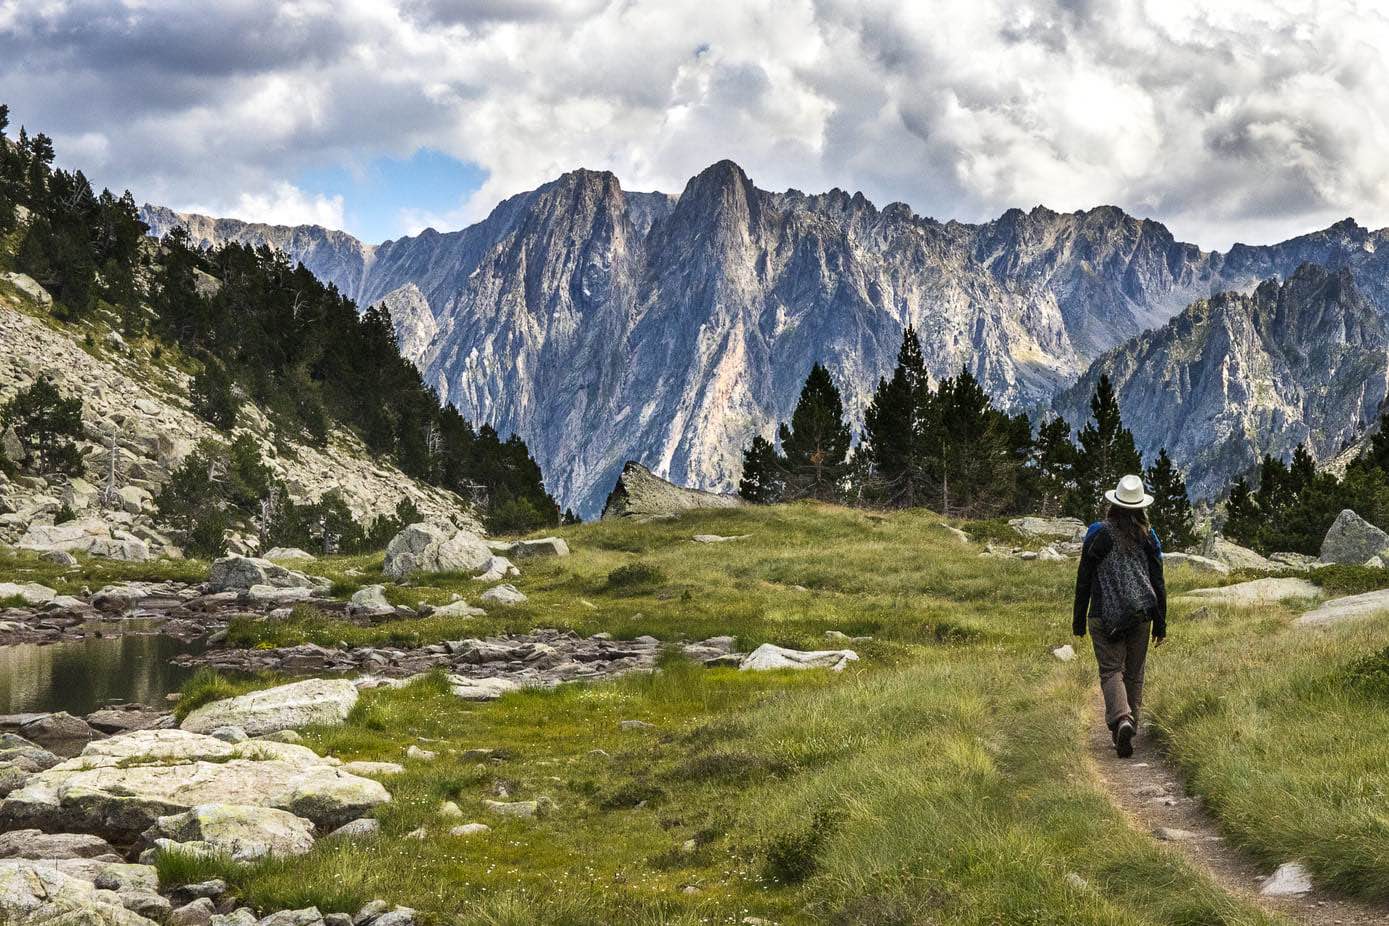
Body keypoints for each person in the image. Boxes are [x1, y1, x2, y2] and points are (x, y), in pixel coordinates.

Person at [1073, 473, 1167, 758]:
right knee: (1134, 673)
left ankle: (1121, 720)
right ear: (1140, 507)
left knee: (1111, 670)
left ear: (1113, 504)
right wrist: (1160, 623)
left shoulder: (1097, 533)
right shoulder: (1148, 535)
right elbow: (1157, 580)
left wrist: (1079, 620)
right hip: (1141, 613)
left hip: (1104, 615)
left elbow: (1084, 577)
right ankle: (1128, 727)